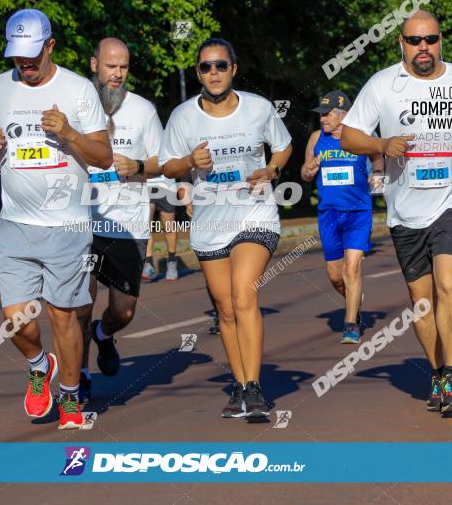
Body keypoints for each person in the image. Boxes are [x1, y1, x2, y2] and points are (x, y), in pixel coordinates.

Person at [340, 10, 452, 414]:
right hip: (406, 208)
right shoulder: (382, 85)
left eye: (430, 39)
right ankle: (436, 372)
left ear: (440, 40)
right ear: (402, 44)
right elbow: (348, 134)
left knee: (449, 282)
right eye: (414, 41)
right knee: (421, 300)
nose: (423, 48)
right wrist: (381, 145)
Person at [0, 9, 112, 429]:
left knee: (62, 315)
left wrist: (70, 134)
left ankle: (70, 398)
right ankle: (40, 365)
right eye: (18, 56)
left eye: (33, 54)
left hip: (67, 222)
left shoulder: (77, 90)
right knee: (14, 318)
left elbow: (104, 156)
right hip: (16, 221)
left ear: (50, 45)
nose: (26, 63)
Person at [160, 38, 292, 420]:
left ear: (233, 69)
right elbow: (167, 166)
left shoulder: (259, 108)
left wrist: (272, 170)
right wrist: (188, 160)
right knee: (227, 310)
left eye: (220, 65)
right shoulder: (184, 116)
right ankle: (240, 383)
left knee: (243, 295)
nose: (213, 73)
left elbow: (282, 146)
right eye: (206, 67)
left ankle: (254, 387)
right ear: (198, 73)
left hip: (255, 214)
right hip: (209, 223)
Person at [76, 37, 163, 403]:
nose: (118, 74)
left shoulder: (143, 111)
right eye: (111, 66)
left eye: (124, 67)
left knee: (123, 311)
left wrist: (140, 167)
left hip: (128, 226)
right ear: (95, 65)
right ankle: (77, 377)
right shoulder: (75, 108)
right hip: (81, 223)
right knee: (78, 303)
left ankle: (105, 333)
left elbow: (165, 164)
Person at [301, 90, 384, 344]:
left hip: (358, 212)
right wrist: (309, 169)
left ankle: (350, 323)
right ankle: (353, 301)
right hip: (329, 214)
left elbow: (378, 156)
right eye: (321, 114)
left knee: (352, 267)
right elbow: (305, 173)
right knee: (336, 276)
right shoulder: (317, 138)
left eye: (327, 114)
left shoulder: (360, 136)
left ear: (344, 115)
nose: (323, 119)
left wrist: (378, 174)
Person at [142, 174, 180, 281]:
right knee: (146, 227)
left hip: (166, 186)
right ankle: (148, 264)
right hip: (146, 187)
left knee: (169, 227)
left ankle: (172, 262)